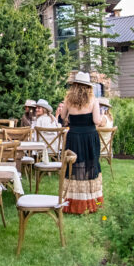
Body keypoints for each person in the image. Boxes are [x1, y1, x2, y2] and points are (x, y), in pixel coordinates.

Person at [57, 72, 103, 215]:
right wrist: (101, 117)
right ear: (88, 87)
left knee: (74, 167)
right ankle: (91, 200)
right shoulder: (93, 101)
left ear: (74, 86)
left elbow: (63, 117)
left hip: (74, 136)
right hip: (89, 136)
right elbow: (96, 121)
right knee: (90, 165)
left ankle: (72, 201)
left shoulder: (68, 101)